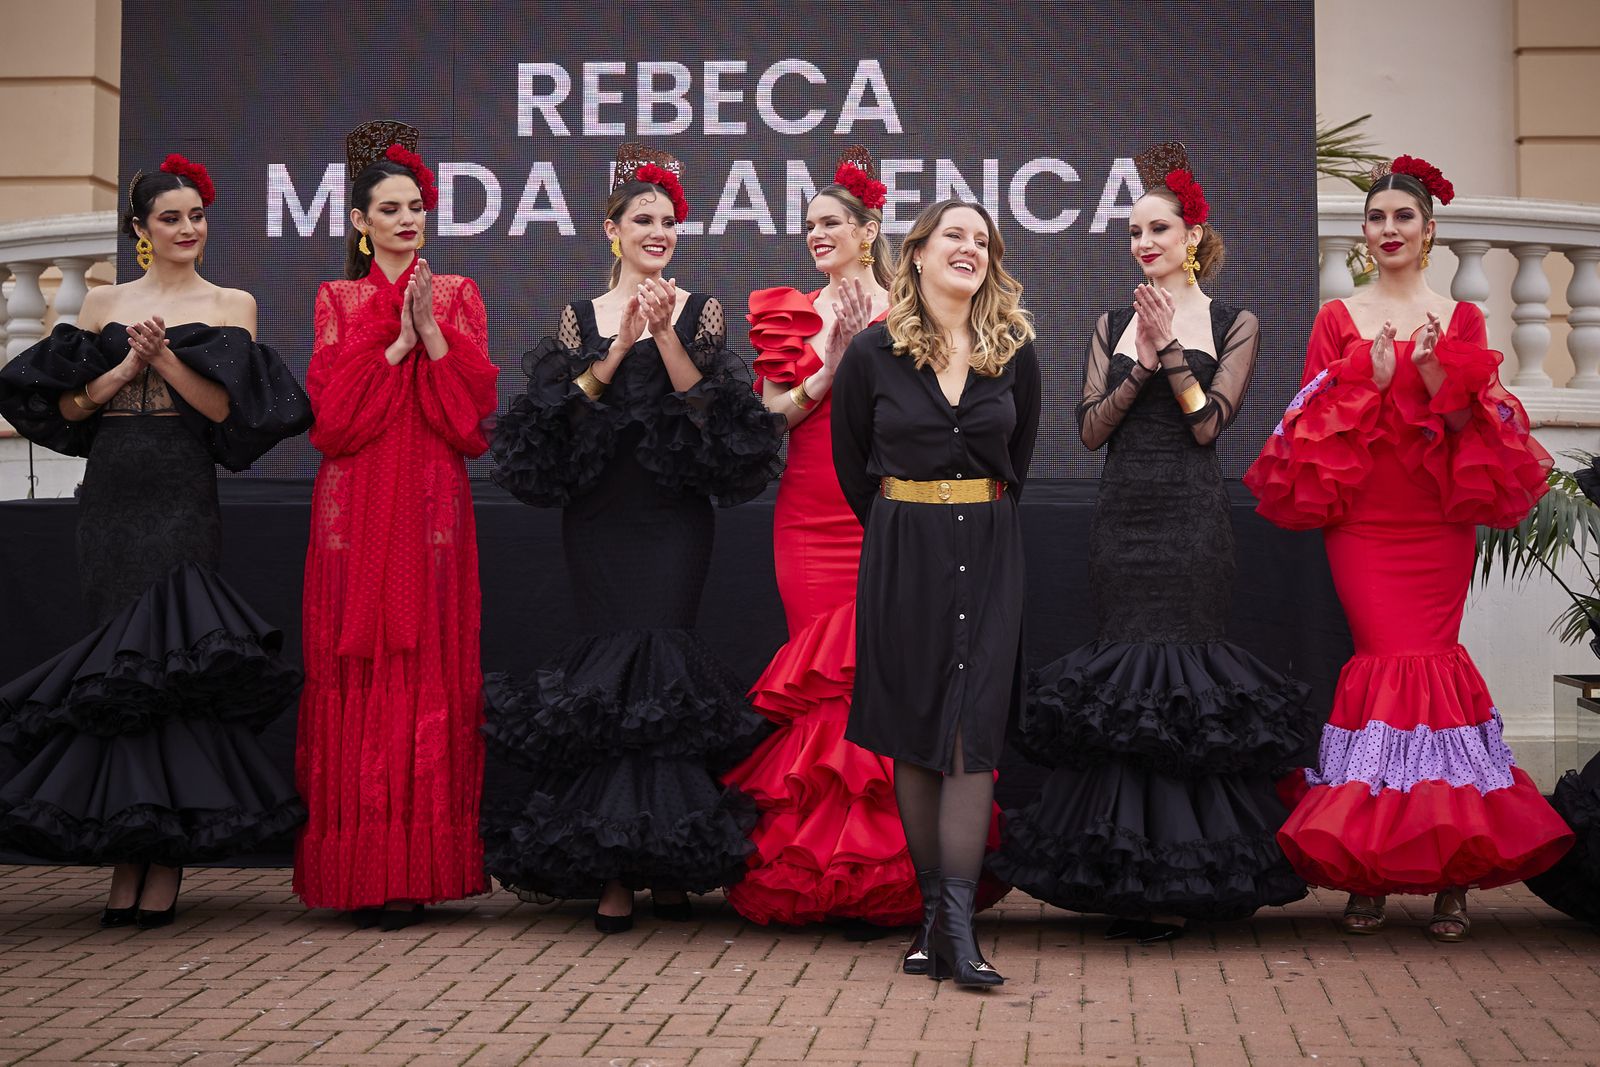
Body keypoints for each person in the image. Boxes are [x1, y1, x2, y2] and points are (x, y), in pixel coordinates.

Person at [1244, 154, 1573, 942]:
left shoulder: (1459, 320)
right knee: (1382, 666)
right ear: (1364, 233)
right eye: (1376, 218)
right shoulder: (1337, 318)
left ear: (1429, 231)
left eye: (1402, 218)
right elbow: (1302, 429)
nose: (1387, 229)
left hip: (1435, 519)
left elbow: (1479, 435)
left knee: (1432, 664)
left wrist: (1434, 380)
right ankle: (1372, 865)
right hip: (1362, 519)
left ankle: (1450, 870)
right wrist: (1368, 377)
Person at [991, 143, 1311, 944]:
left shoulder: (1236, 321)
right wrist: (1137, 358)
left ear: (1193, 235)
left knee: (1181, 688)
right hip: (1122, 521)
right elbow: (1090, 429)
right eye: (1133, 230)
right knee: (1127, 685)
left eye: (1158, 229)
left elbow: (1209, 424)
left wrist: (1171, 349)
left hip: (1193, 522)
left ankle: (1182, 876)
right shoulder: (1110, 321)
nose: (1143, 242)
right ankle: (1126, 875)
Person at [0, 154, 312, 928]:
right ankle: (124, 852)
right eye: (170, 217)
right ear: (141, 230)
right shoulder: (104, 300)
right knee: (116, 673)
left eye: (196, 215)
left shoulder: (230, 302)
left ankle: (164, 855)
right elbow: (68, 411)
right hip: (111, 492)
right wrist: (119, 369)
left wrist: (165, 356)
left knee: (170, 664)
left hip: (180, 491)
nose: (187, 229)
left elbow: (224, 416)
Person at [484, 143, 782, 933]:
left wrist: (666, 333)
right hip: (600, 515)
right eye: (643, 221)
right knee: (612, 681)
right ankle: (618, 863)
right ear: (609, 229)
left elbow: (714, 414)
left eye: (669, 222)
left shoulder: (699, 309)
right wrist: (618, 347)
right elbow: (555, 419)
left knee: (664, 673)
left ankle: (669, 858)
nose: (659, 233)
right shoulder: (579, 317)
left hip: (674, 514)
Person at [293, 122, 500, 931]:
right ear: (360, 221)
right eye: (391, 208)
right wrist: (395, 345)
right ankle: (361, 867)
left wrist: (435, 335)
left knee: (426, 665)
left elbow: (470, 416)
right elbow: (332, 420)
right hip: (354, 504)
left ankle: (417, 866)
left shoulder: (459, 293)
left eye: (417, 206)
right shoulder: (338, 300)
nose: (409, 218)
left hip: (429, 502)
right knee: (357, 666)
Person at [831, 198, 1040, 988]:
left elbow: (1014, 455)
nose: (970, 248)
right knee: (917, 728)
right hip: (903, 551)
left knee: (972, 729)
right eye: (954, 234)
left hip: (989, 550)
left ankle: (954, 928)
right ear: (915, 253)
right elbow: (856, 462)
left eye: (981, 240)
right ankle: (935, 919)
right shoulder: (873, 352)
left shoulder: (1013, 350)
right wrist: (902, 525)